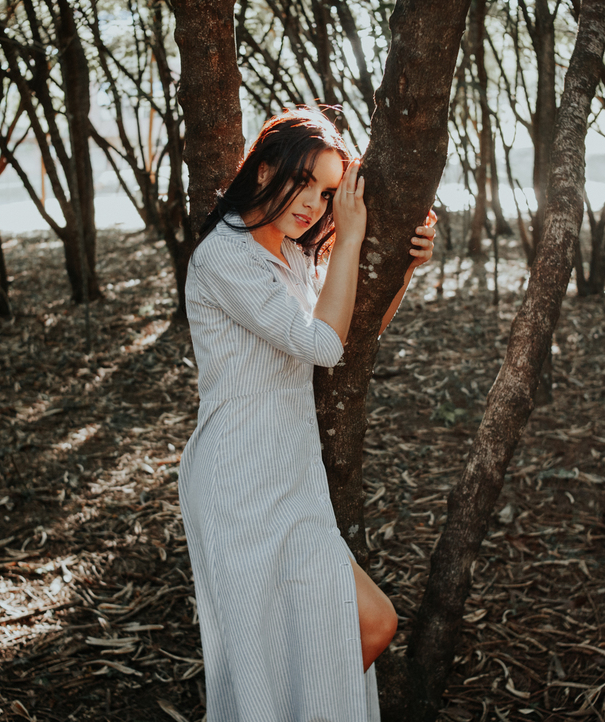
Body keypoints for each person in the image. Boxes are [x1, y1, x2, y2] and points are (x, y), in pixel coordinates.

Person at [180, 107, 436, 722]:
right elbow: (322, 344)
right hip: (239, 481)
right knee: (290, 649)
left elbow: (349, 333)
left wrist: (403, 268)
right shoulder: (224, 258)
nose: (313, 205)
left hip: (292, 477)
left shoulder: (292, 256)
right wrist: (349, 240)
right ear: (265, 170)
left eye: (326, 193)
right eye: (305, 183)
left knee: (352, 630)